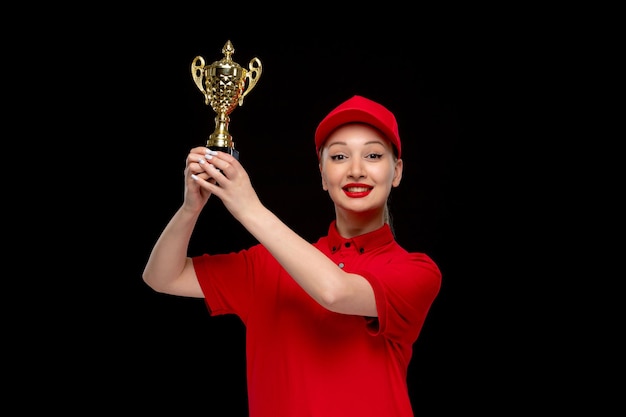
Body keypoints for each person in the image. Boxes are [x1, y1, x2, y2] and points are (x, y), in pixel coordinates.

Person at [143, 95, 442, 417]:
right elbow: (162, 277)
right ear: (323, 175)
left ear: (396, 172)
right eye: (339, 156)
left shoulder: (415, 270)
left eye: (373, 155)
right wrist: (190, 209)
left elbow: (335, 291)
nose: (356, 170)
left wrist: (249, 208)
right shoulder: (264, 263)